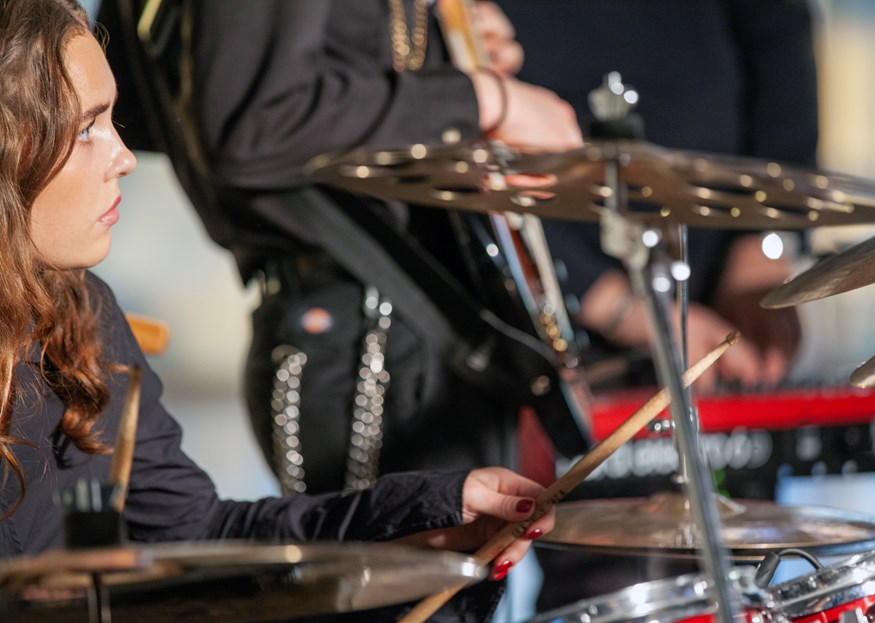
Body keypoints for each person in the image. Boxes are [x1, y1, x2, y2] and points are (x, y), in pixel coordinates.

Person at [0, 3, 554, 621]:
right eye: (86, 129)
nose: (124, 156)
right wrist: (478, 100)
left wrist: (428, 513)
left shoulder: (79, 310)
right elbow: (246, 126)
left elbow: (193, 539)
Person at [95, 0, 588, 500]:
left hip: (382, 322)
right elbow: (251, 125)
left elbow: (146, 103)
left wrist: (440, 45)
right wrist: (483, 99)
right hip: (365, 332)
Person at [494, 0, 818, 612]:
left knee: (746, 570)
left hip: (724, 288)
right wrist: (607, 299)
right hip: (554, 316)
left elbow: (778, 41)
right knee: (618, 586)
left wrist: (765, 250)